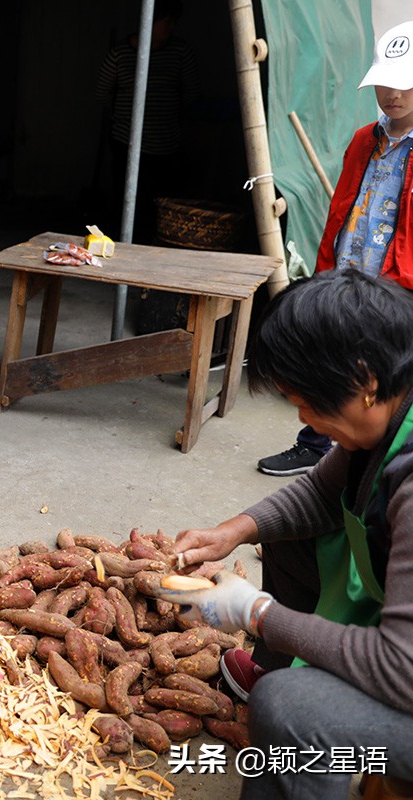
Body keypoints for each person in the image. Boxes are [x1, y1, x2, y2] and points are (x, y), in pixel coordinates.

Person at [161, 270, 413, 798]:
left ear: (365, 381)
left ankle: (308, 723)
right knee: (285, 537)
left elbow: (402, 669)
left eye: (308, 401)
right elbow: (320, 496)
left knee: (290, 707)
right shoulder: (392, 409)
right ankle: (281, 683)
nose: (302, 418)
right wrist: (231, 531)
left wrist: (257, 613)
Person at [258, 20, 413, 477]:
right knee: (332, 357)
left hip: (398, 284)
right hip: (352, 270)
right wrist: (328, 268)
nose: (394, 94)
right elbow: (341, 208)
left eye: (405, 83)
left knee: (383, 376)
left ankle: (374, 461)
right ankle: (315, 444)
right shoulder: (366, 139)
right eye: (386, 82)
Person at [93, 0, 200, 245]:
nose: (171, 28)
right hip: (124, 140)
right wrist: (122, 115)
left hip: (166, 143)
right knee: (125, 201)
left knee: (158, 206)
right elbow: (102, 93)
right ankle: (121, 246)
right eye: (167, 21)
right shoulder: (120, 54)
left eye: (174, 22)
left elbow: (192, 93)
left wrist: (169, 113)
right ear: (149, 21)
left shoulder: (179, 52)